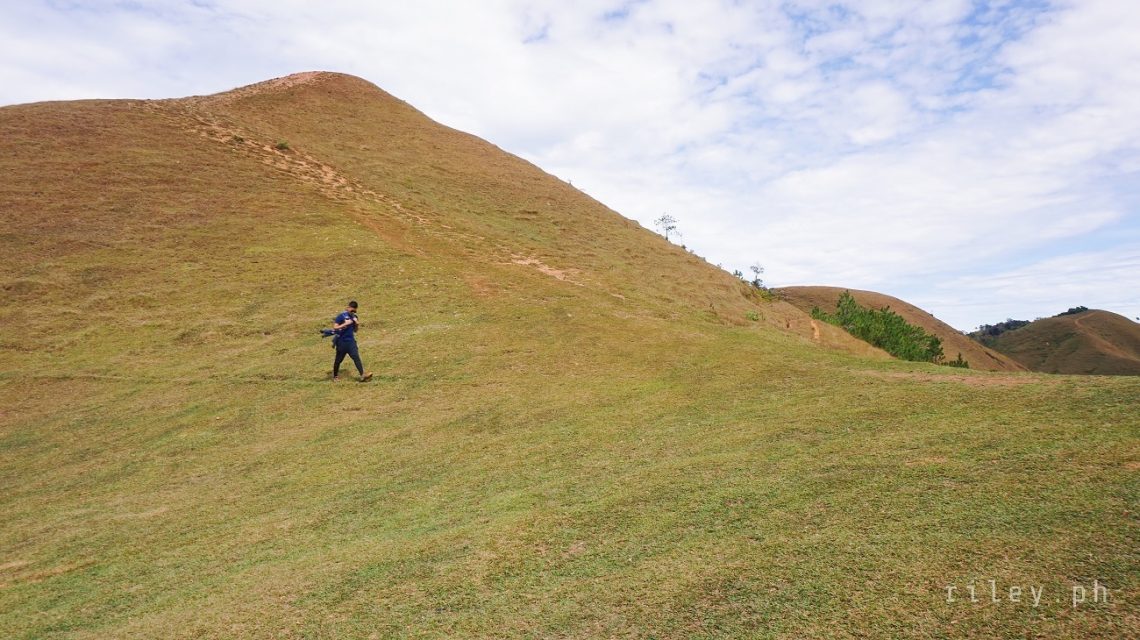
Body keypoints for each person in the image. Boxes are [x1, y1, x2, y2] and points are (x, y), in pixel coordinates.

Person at [331, 300, 372, 382]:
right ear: (348, 307)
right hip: (341, 342)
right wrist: (345, 324)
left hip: (351, 342)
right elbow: (335, 327)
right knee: (338, 360)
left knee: (356, 357)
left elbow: (355, 331)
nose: (353, 312)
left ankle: (362, 375)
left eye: (355, 311)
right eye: (352, 310)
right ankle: (335, 376)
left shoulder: (355, 317)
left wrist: (356, 325)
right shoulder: (341, 316)